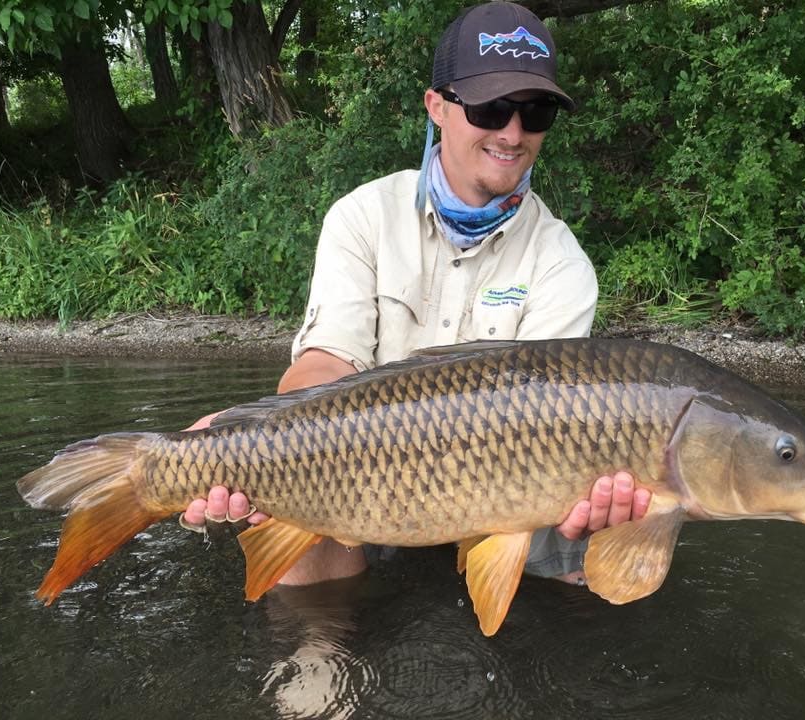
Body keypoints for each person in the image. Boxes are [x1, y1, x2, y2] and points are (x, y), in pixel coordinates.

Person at [181, 1, 652, 585]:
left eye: (535, 113)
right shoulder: (363, 215)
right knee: (283, 522)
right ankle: (317, 664)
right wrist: (253, 435)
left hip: (508, 496)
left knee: (607, 551)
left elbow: (550, 420)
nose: (512, 132)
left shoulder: (562, 262)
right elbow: (321, 364)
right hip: (367, 487)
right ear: (438, 107)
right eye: (491, 107)